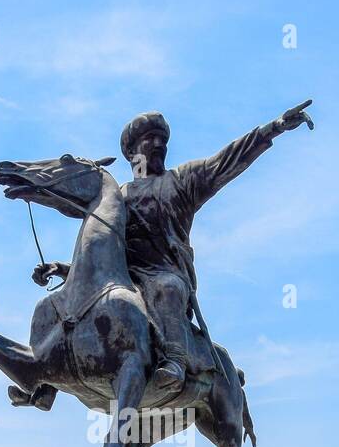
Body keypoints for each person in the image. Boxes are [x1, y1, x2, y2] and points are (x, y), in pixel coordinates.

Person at [34, 100, 314, 391]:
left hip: (167, 276)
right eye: (149, 139)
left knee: (167, 287)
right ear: (131, 152)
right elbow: (103, 257)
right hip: (127, 282)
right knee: (67, 307)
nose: (158, 144)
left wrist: (274, 128)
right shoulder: (117, 198)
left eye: (162, 139)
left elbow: (227, 160)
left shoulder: (182, 181)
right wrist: (63, 269)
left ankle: (176, 361)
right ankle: (44, 380)